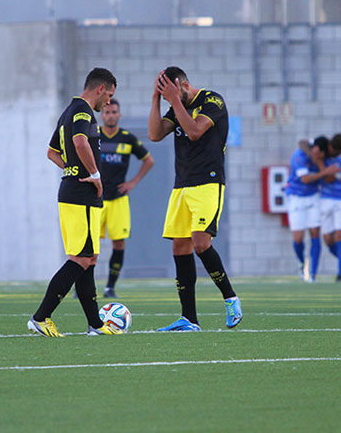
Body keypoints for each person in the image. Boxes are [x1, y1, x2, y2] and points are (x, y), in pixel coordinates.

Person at [28, 67, 121, 337]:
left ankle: (95, 324)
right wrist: (93, 174)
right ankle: (40, 317)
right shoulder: (82, 111)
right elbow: (80, 141)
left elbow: (51, 152)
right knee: (80, 258)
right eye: (109, 95)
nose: (109, 103)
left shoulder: (68, 110)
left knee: (89, 258)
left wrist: (72, 170)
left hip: (77, 192)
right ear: (100, 88)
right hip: (80, 194)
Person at [148, 66, 242, 331]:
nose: (169, 97)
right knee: (180, 247)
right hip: (182, 185)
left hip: (208, 183)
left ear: (184, 84)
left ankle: (230, 298)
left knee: (201, 243)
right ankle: (189, 318)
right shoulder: (174, 105)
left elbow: (194, 131)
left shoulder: (212, 100)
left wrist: (175, 100)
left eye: (171, 91)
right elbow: (155, 134)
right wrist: (155, 99)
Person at [99, 98, 155, 298]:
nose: (111, 115)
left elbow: (149, 160)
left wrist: (134, 182)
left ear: (119, 115)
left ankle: (110, 287)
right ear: (102, 115)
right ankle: (83, 287)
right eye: (107, 112)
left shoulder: (127, 138)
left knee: (119, 243)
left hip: (118, 199)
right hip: (95, 199)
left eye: (114, 112)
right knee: (88, 245)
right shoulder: (94, 136)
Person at [285, 136, 340, 282]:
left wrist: (322, 165)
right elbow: (305, 179)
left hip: (314, 197)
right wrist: (324, 172)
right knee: (298, 237)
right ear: (313, 149)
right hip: (296, 197)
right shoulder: (299, 156)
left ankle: (313, 274)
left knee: (315, 233)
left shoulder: (322, 157)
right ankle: (301, 264)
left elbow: (331, 176)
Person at [320, 133, 341, 281]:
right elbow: (304, 143)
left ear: (340, 150)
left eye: (334, 150)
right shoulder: (326, 150)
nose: (331, 152)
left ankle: (340, 273)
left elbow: (327, 178)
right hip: (325, 199)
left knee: (340, 236)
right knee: (328, 239)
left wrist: (319, 164)